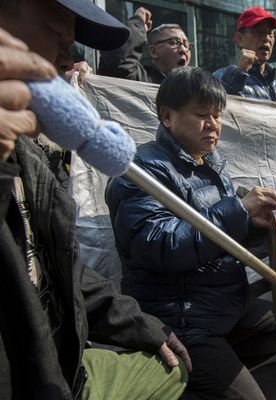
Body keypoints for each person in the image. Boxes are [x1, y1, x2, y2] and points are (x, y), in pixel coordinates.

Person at [0, 0, 192, 399]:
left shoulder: (29, 156)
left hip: (63, 364)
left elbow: (63, 267)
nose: (68, 62)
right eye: (56, 34)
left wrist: (142, 326)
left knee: (167, 370)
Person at [106, 66, 276, 400]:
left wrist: (256, 227)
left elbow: (222, 240)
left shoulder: (212, 166)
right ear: (167, 116)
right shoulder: (139, 170)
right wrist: (239, 210)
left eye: (217, 115)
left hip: (218, 306)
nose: (213, 125)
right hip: (180, 316)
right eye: (202, 115)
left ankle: (201, 380)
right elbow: (160, 246)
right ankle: (191, 376)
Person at [213, 6, 276, 112]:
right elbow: (219, 111)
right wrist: (239, 72)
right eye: (258, 32)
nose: (266, 38)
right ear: (239, 38)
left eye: (270, 33)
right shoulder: (219, 79)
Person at [99, 7, 192, 84]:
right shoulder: (141, 79)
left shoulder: (193, 89)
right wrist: (137, 23)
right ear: (154, 52)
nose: (183, 49)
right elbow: (118, 64)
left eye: (187, 44)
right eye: (174, 42)